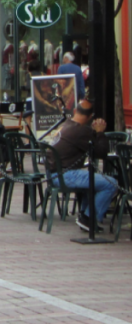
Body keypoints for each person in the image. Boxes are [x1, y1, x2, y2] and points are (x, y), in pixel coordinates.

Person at [48, 99, 117, 232]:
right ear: (91, 117)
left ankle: (85, 216)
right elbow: (101, 153)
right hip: (65, 175)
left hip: (53, 174)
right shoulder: (81, 131)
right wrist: (100, 132)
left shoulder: (66, 125)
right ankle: (88, 217)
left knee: (94, 182)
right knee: (111, 183)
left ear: (74, 111)